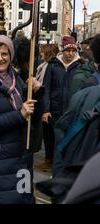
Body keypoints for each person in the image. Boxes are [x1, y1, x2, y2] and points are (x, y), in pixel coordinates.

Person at [0, 35, 41, 204]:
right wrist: (20, 114)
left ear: (11, 56)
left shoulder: (18, 80)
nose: (0, 58)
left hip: (22, 156)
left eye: (4, 53)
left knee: (25, 197)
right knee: (5, 199)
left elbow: (34, 115)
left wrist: (38, 92)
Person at [42, 36, 83, 173]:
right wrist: (45, 110)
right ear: (63, 51)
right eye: (68, 50)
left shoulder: (81, 65)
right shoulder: (53, 65)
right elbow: (46, 89)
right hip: (56, 112)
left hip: (74, 112)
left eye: (73, 50)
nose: (70, 53)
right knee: (58, 145)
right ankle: (58, 174)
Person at [34, 44, 59, 171]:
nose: (41, 54)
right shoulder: (44, 66)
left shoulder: (49, 67)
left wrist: (46, 110)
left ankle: (49, 161)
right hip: (47, 104)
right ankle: (49, 160)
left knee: (49, 135)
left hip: (47, 106)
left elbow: (46, 88)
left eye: (43, 52)